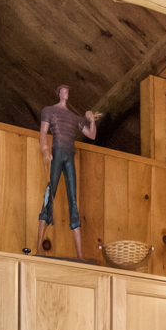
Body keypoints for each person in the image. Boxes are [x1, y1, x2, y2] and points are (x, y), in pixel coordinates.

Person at [36, 84, 99, 259]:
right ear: (59, 93)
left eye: (68, 90)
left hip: (69, 156)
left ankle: (80, 255)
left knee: (73, 199)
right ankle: (39, 248)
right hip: (57, 153)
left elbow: (92, 135)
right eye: (64, 90)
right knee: (50, 194)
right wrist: (45, 150)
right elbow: (43, 133)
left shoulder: (74, 117)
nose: (66, 93)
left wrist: (91, 119)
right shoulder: (49, 110)